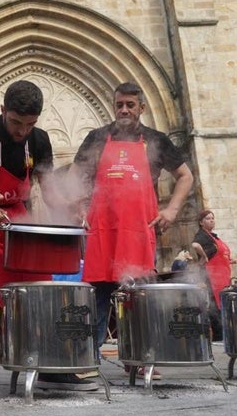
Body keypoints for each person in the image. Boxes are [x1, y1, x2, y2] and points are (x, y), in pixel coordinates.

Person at [0, 80, 96, 400]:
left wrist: (72, 206)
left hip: (15, 220)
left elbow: (49, 191)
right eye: (15, 123)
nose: (22, 131)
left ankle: (46, 362)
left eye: (29, 124)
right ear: (3, 112)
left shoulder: (39, 140)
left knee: (38, 283)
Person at [69, 81, 194, 380]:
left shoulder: (156, 140)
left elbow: (185, 176)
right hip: (101, 229)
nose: (124, 110)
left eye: (130, 105)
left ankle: (138, 358)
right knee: (97, 295)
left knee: (136, 297)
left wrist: (171, 210)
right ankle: (88, 358)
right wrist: (77, 206)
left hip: (139, 230)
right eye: (119, 105)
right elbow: (75, 175)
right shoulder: (97, 138)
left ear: (141, 107)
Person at [191, 209, 236, 340]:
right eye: (208, 219)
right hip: (211, 278)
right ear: (201, 222)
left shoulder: (214, 237)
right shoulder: (202, 236)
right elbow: (195, 245)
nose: (211, 220)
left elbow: (217, 255)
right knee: (214, 307)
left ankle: (224, 336)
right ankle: (218, 337)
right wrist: (204, 256)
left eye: (212, 218)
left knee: (222, 306)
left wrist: (229, 260)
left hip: (222, 277)